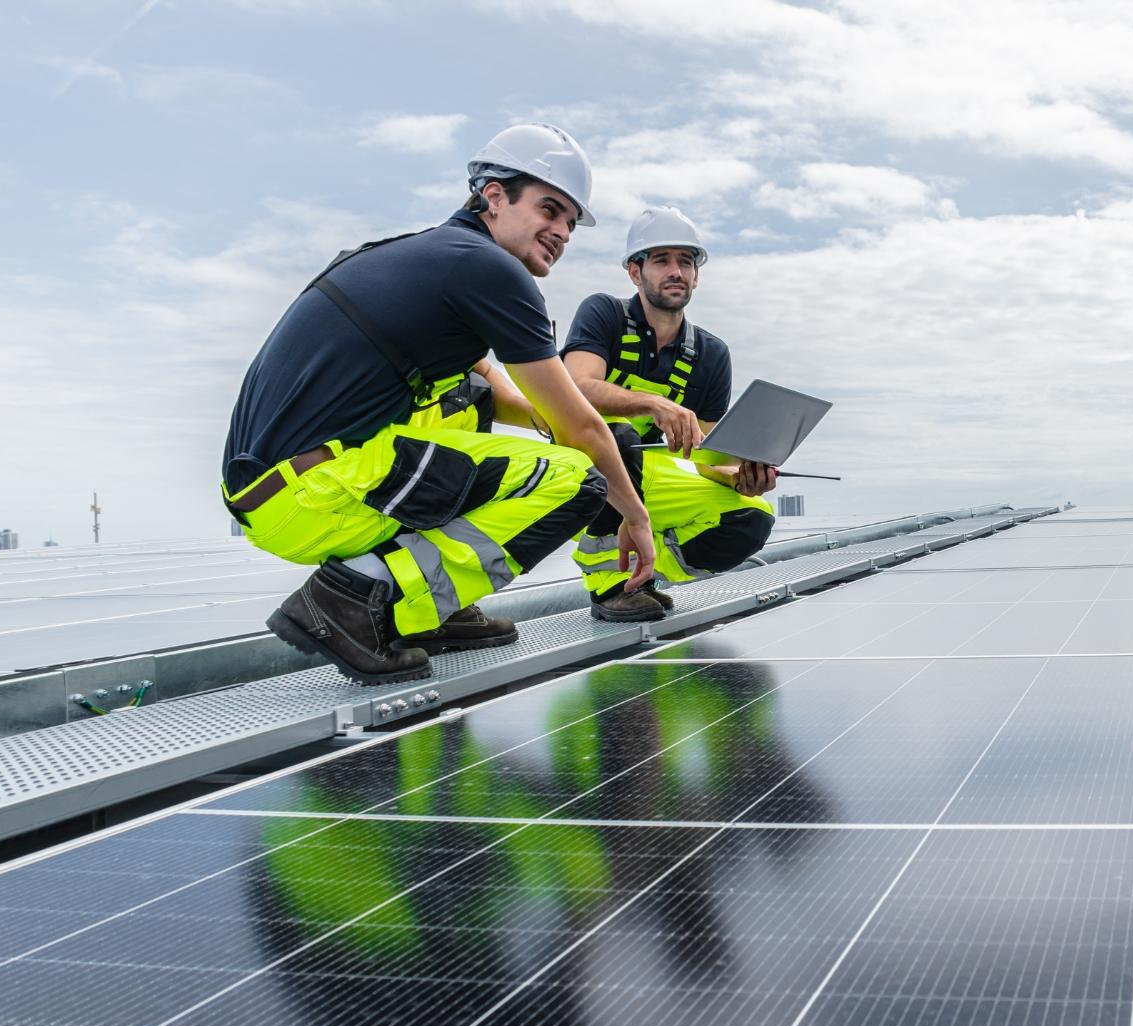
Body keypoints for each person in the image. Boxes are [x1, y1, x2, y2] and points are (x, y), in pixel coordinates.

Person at [220, 123, 655, 684]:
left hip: (269, 491)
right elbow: (583, 434)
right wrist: (634, 515)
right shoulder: (489, 269)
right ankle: (357, 599)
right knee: (579, 478)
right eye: (550, 210)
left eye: (571, 222)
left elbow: (486, 384)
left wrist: (548, 413)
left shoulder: (414, 255)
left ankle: (426, 612)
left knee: (469, 397)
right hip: (319, 490)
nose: (562, 232)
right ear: (494, 195)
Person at [560, 206, 778, 621]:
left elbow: (709, 458)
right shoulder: (604, 314)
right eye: (661, 260)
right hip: (580, 474)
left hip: (648, 477)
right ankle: (608, 586)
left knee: (751, 518)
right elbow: (575, 388)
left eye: (686, 261)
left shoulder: (712, 355)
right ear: (634, 272)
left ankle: (643, 576)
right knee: (618, 438)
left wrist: (743, 476)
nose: (676, 271)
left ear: (696, 275)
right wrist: (654, 403)